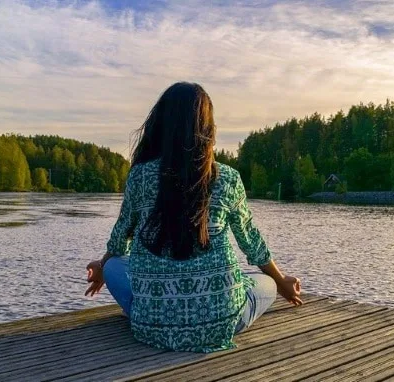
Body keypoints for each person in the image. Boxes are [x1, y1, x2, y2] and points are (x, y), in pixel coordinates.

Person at [84, 82, 302, 353]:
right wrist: (282, 282)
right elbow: (251, 243)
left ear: (160, 124)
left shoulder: (139, 176)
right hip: (221, 323)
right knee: (265, 282)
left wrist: (103, 265)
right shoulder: (227, 178)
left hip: (150, 327)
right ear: (208, 128)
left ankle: (155, 310)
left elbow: (120, 238)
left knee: (115, 265)